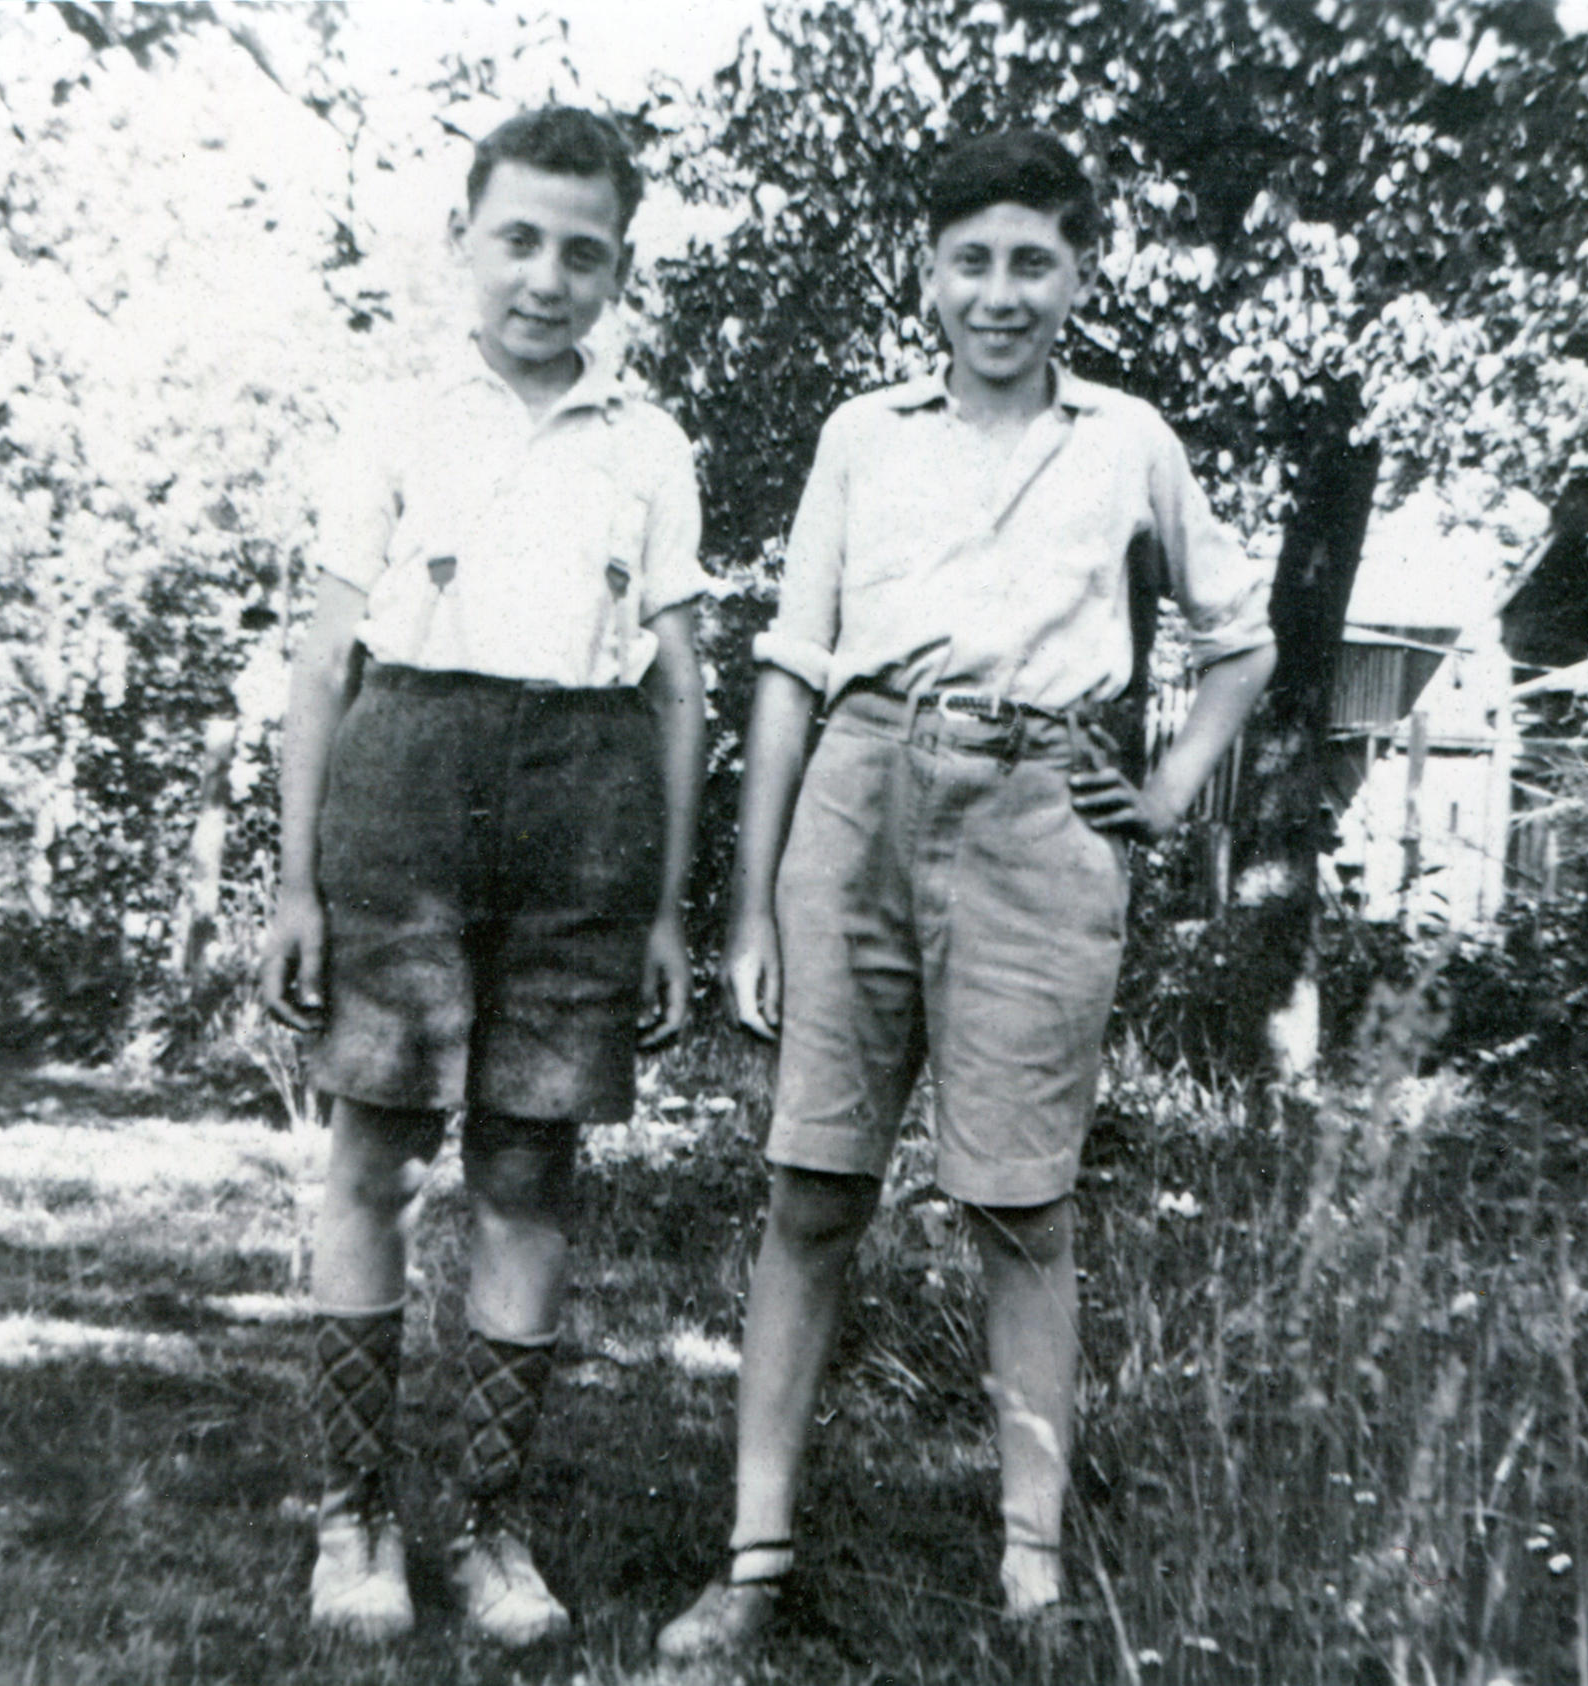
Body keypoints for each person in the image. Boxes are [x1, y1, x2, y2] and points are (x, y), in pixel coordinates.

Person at [655, 127, 1279, 1660]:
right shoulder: (864, 434)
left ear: (1079, 275)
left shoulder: (1129, 436)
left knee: (1021, 1204)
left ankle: (1032, 1570)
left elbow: (1241, 639)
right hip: (858, 801)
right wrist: (750, 906)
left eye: (1034, 262)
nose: (1000, 293)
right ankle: (753, 1563)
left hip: (1040, 819)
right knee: (812, 1187)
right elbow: (793, 670)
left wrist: (1174, 785)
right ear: (925, 274)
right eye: (972, 262)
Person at [262, 105, 707, 1647]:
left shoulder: (648, 440)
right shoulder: (398, 423)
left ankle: (491, 1528)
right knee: (375, 1156)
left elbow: (679, 685)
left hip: (584, 813)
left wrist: (665, 904)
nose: (546, 277)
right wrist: (297, 885)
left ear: (617, 268)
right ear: (465, 238)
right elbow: (325, 662)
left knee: (529, 1171)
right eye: (518, 239)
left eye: (584, 252)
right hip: (404, 791)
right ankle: (354, 1513)